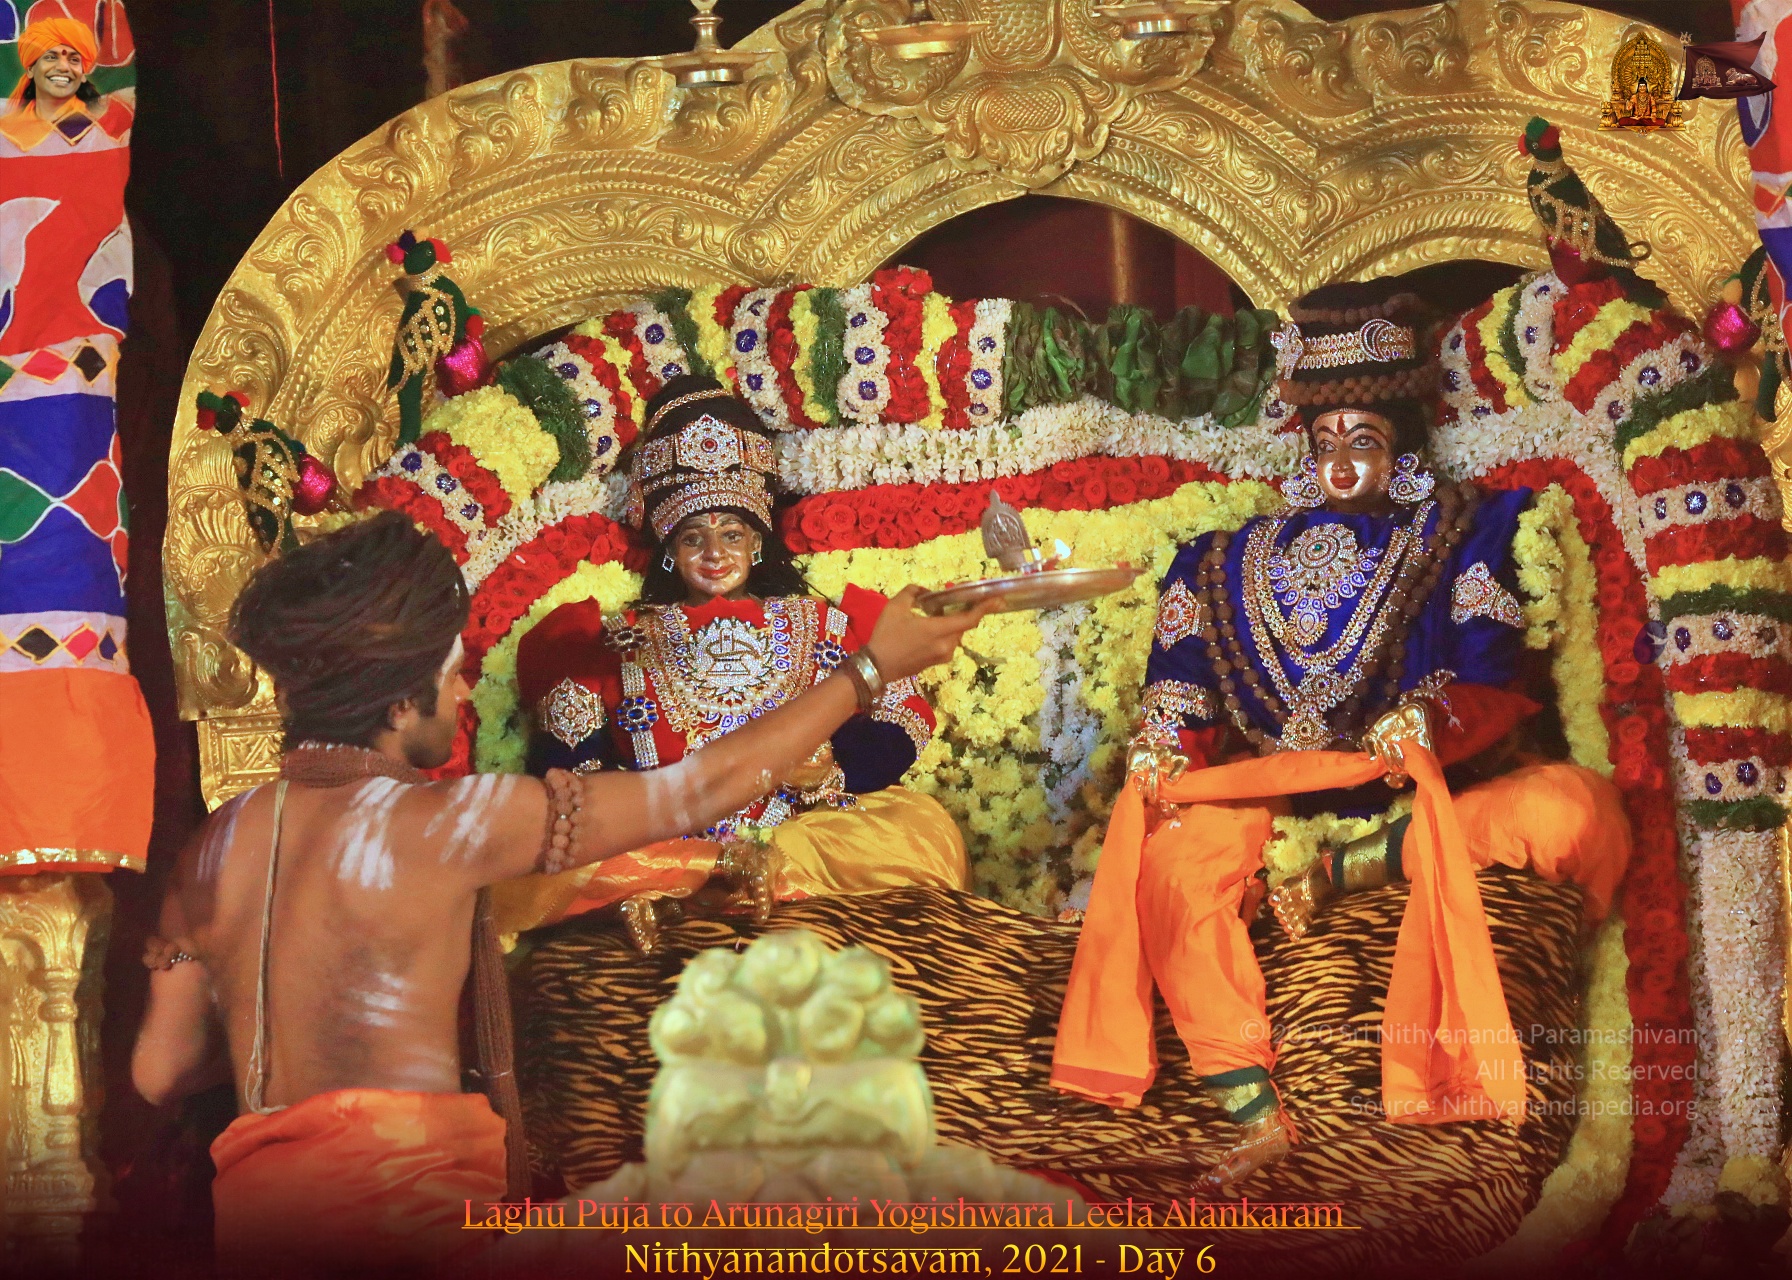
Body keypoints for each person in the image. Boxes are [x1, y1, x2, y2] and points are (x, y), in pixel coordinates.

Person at [130, 509, 992, 1271]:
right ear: (396, 703)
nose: (464, 689)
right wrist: (871, 669)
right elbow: (703, 788)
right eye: (452, 671)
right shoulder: (447, 823)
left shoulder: (212, 849)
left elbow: (160, 1073)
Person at [1050, 280, 1631, 1198]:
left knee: (1573, 810)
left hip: (1422, 798)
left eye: (1363, 440)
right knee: (1173, 867)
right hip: (1271, 798)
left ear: (1401, 447)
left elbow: (1491, 675)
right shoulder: (1222, 557)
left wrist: (1427, 720)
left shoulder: (1468, 531)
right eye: (1325, 442)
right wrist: (1163, 742)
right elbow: (1183, 685)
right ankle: (1256, 1112)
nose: (1343, 464)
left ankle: (1342, 874)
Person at [490, 377, 969, 950]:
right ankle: (690, 885)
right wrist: (654, 834)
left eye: (732, 534)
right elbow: (572, 782)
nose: (715, 553)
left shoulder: (830, 622)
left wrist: (832, 773)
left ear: (757, 542)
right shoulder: (605, 642)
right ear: (670, 551)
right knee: (541, 859)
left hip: (806, 839)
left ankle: (737, 886)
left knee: (924, 831)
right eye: (693, 538)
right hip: (668, 848)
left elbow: (903, 721)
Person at [0, 15, 132, 151]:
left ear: (83, 75)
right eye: (51, 57)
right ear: (31, 70)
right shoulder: (6, 130)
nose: (63, 67)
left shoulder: (103, 129)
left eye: (74, 60)